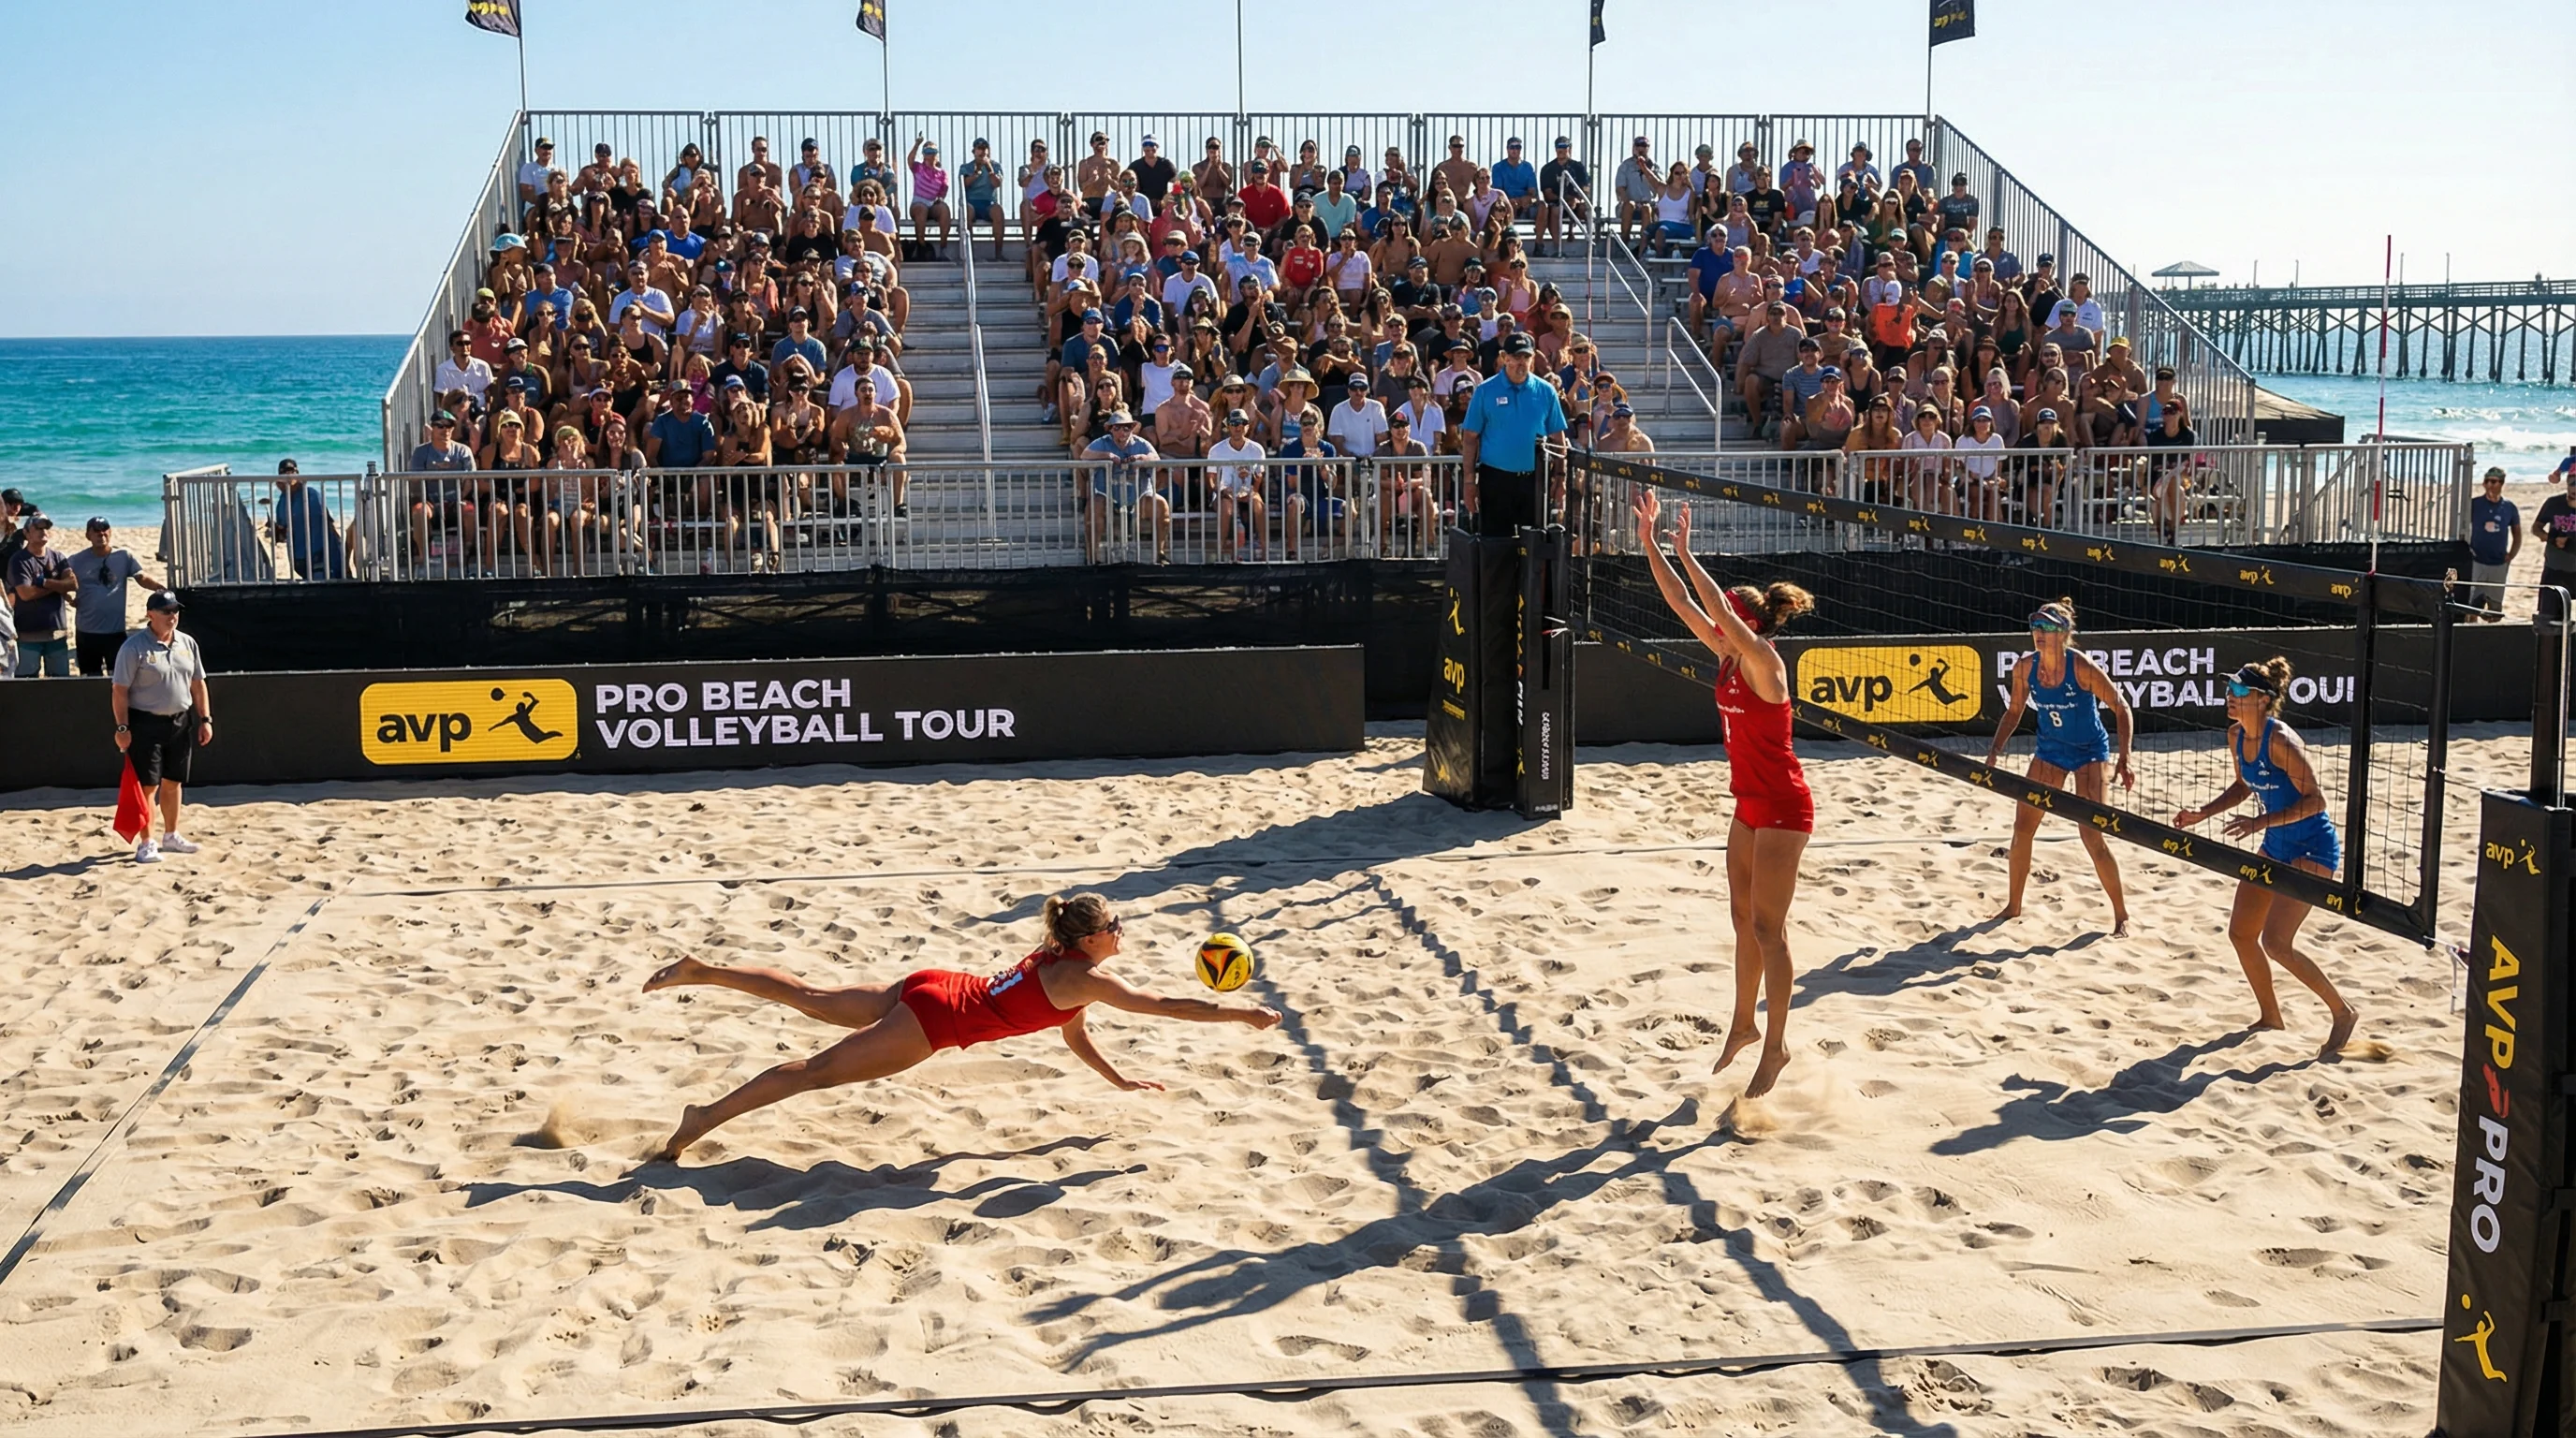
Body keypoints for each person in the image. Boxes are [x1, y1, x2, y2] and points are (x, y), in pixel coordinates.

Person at [642, 893, 1282, 1161]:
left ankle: (704, 971)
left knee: (811, 996)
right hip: (933, 1020)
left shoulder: (1063, 963)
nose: (1123, 930)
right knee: (815, 1073)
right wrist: (1241, 1013)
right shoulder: (1089, 977)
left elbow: (1073, 1032)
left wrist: (1117, 1080)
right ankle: (703, 1118)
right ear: (1090, 939)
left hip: (936, 984)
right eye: (1115, 925)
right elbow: (1169, 1005)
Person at [1631, 487, 1816, 1099]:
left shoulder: (1763, 660)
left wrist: (1687, 551)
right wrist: (1652, 545)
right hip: (1749, 805)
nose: (1717, 625)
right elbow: (1683, 603)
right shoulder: (1728, 655)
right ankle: (1742, 1023)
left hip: (1784, 808)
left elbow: (1709, 601)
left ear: (1748, 624)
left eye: (1729, 618)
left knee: (1769, 930)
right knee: (1741, 920)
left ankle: (1777, 1046)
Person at [2174, 659, 2359, 1059]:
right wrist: (2202, 814)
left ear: (2263, 699)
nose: (2231, 696)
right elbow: (2243, 786)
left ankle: (2342, 1012)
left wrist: (2260, 821)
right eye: (2230, 689)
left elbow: (2317, 801)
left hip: (2313, 849)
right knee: (2241, 934)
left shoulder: (2281, 742)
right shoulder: (2236, 735)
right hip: (2277, 844)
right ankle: (2271, 1017)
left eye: (2240, 691)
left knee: (2276, 943)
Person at [1983, 599, 2135, 935]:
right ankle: (2013, 905)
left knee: (2091, 835)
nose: (2039, 632)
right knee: (2023, 827)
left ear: (2064, 633)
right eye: (2036, 625)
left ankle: (2121, 915)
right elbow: (2014, 712)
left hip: (2089, 753)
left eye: (2048, 627)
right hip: (2050, 752)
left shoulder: (2080, 666)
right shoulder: (2025, 667)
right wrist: (1994, 750)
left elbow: (2121, 707)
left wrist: (2124, 757)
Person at [110, 591, 212, 864]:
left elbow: (198, 683)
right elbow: (119, 690)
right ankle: (147, 842)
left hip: (180, 721)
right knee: (147, 786)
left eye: (175, 610)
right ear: (150, 614)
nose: (172, 616)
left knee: (174, 781)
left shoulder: (187, 643)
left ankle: (171, 834)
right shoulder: (133, 648)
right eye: (166, 611)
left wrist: (205, 719)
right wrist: (122, 728)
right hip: (145, 722)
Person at [1457, 333, 1568, 538]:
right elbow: (1470, 438)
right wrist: (1469, 482)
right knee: (1496, 546)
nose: (1521, 362)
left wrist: (1561, 478)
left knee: (1535, 545)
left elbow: (1558, 440)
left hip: (1535, 481)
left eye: (1526, 357)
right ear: (1504, 357)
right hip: (1495, 480)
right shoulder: (1485, 391)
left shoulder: (1546, 391)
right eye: (1516, 357)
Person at [67, 517, 164, 676]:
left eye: (104, 530)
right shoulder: (76, 560)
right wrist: (68, 598)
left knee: (119, 677)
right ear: (88, 535)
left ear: (110, 532)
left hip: (115, 632)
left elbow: (141, 577)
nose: (101, 534)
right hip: (87, 631)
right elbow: (61, 581)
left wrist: (161, 589)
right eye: (96, 531)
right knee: (90, 678)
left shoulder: (124, 556)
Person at [7, 514, 77, 677]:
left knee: (60, 683)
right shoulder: (19, 560)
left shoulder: (58, 557)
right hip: (29, 634)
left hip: (57, 633)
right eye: (38, 528)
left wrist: (46, 583)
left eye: (46, 527)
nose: (43, 531)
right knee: (27, 683)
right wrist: (57, 585)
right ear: (26, 533)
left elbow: (73, 583)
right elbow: (26, 594)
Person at [2467, 467, 2520, 620]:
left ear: (2501, 483)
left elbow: (2517, 533)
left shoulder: (2509, 507)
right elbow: (2462, 526)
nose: (2489, 485)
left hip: (2498, 562)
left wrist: (2511, 555)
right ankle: (2471, 629)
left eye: (2494, 481)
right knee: (2472, 606)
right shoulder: (2475, 504)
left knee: (2495, 610)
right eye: (2487, 481)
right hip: (2477, 560)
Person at [2531, 463, 2576, 599]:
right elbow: (2536, 528)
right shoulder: (2554, 503)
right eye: (2572, 483)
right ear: (2567, 482)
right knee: (2549, 611)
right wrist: (2550, 538)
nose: (2575, 488)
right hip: (2554, 568)